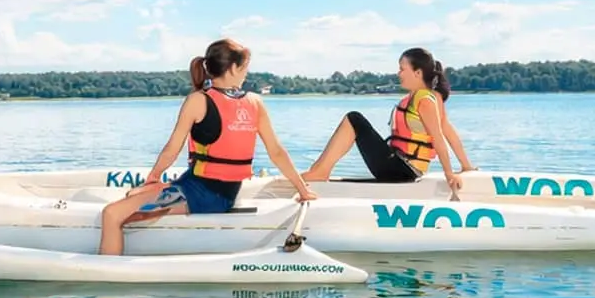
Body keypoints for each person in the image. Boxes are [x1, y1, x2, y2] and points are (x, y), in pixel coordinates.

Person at [99, 38, 316, 255]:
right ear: (232, 68)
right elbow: (277, 152)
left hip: (203, 195)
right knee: (133, 194)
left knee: (111, 214)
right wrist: (302, 190)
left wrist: (154, 176)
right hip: (213, 191)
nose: (245, 74)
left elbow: (171, 149)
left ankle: (105, 274)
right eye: (244, 69)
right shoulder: (255, 102)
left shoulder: (197, 100)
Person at [300, 47, 473, 194]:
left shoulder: (425, 100)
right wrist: (465, 165)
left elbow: (439, 137)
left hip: (404, 170)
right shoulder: (414, 97)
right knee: (355, 120)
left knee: (354, 119)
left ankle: (319, 172)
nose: (398, 74)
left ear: (417, 73)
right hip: (397, 165)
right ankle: (318, 171)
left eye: (402, 69)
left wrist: (449, 174)